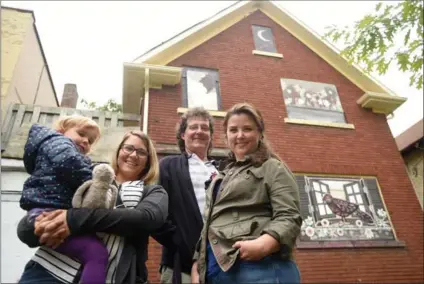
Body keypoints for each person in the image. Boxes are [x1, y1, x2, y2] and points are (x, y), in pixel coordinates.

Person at [17, 130, 169, 284]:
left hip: (110, 277)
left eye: (141, 152)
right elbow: (47, 204)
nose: (133, 155)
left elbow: (146, 219)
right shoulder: (90, 173)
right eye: (128, 148)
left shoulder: (152, 191)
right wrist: (33, 227)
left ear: (149, 160)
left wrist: (72, 219)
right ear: (118, 151)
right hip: (48, 270)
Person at [191, 103, 302, 284]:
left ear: (260, 133)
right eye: (233, 130)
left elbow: (289, 216)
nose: (240, 135)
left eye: (247, 129)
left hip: (259, 267)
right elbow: (210, 225)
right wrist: (198, 263)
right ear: (226, 136)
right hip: (216, 271)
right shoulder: (221, 176)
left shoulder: (273, 167)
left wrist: (266, 244)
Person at [17, 115, 110, 284]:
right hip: (46, 213)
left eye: (90, 140)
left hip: (45, 212)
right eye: (81, 134)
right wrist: (93, 178)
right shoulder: (58, 142)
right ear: (61, 131)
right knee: (96, 253)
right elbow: (70, 163)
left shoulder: (52, 147)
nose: (85, 141)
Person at [152, 107, 218, 284]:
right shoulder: (168, 166)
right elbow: (156, 215)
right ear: (183, 134)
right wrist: (183, 245)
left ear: (210, 135)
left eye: (205, 128)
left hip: (222, 266)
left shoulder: (222, 170)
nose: (199, 131)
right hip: (181, 267)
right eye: (193, 127)